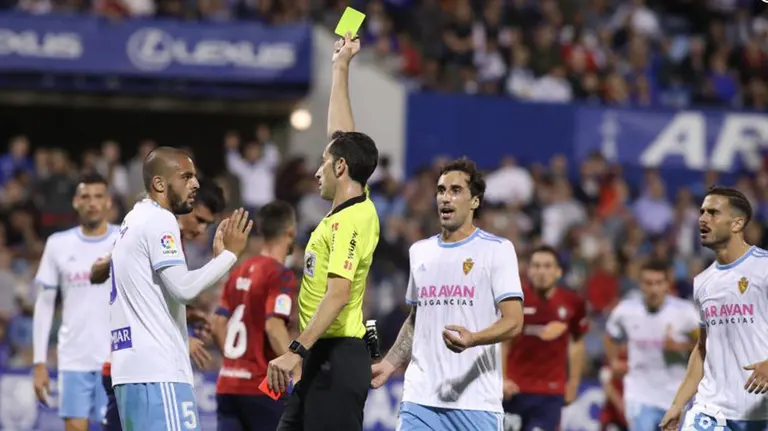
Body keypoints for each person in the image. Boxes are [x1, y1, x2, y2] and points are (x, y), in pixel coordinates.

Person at [266, 33, 380, 431]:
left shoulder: (352, 220)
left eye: (324, 162)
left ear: (341, 169)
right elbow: (342, 137)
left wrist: (296, 350)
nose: (317, 170)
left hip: (337, 355)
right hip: (320, 356)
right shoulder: (347, 208)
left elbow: (339, 294)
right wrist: (340, 66)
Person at [369, 157, 525, 430]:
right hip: (420, 398)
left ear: (474, 201)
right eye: (441, 190)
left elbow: (514, 320)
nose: (445, 198)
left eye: (455, 190)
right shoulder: (420, 251)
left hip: (475, 401)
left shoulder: (497, 250)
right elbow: (416, 319)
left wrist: (474, 339)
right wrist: (391, 361)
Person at [109, 147, 252, 431]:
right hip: (159, 372)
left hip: (131, 373)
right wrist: (229, 256)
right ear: (160, 183)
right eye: (186, 177)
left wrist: (180, 315)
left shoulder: (132, 219)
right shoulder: (161, 220)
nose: (195, 184)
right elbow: (183, 289)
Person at [93, 177, 226, 431]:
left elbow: (150, 294)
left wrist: (187, 314)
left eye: (209, 225)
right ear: (185, 204)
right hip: (145, 369)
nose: (201, 230)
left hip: (123, 364)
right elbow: (177, 290)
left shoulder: (145, 228)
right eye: (199, 219)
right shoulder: (158, 231)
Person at [661, 186, 768, 430]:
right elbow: (702, 349)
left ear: (737, 223)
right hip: (711, 410)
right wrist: (678, 404)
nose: (702, 219)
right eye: (702, 212)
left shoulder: (764, 268)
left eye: (713, 213)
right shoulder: (702, 283)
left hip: (760, 412)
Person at [32, 173, 119, 431]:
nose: (92, 202)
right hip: (73, 359)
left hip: (115, 359)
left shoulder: (123, 240)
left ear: (108, 202)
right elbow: (44, 304)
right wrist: (39, 363)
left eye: (98, 196)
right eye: (85, 196)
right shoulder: (58, 244)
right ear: (75, 202)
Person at [213, 201, 299, 431]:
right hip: (261, 386)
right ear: (290, 231)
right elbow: (274, 327)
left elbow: (218, 323)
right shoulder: (279, 274)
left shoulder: (238, 270)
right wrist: (297, 370)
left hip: (228, 384)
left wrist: (236, 362)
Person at [604, 260, 699, 431]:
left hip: (674, 396)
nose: (653, 289)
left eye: (658, 283)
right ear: (640, 285)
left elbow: (706, 343)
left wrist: (682, 346)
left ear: (667, 285)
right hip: (639, 395)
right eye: (648, 283)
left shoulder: (685, 312)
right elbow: (610, 335)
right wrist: (613, 361)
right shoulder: (626, 310)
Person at [502, 245, 589, 431]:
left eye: (548, 266)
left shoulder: (573, 302)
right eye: (537, 266)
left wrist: (573, 382)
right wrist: (501, 379)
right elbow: (502, 343)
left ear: (558, 272)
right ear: (529, 271)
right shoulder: (513, 300)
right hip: (514, 390)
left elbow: (577, 342)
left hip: (550, 394)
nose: (542, 271)